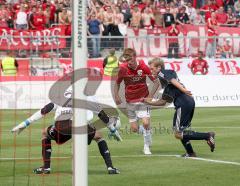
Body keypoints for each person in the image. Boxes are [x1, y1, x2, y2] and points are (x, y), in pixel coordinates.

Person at [11, 87, 122, 175]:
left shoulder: (62, 93)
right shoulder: (89, 95)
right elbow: (102, 115)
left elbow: (45, 109)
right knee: (98, 137)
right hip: (80, 126)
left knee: (45, 133)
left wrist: (25, 123)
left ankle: (46, 167)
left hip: (62, 126)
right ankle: (110, 167)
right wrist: (113, 130)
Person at [144, 58, 216, 157]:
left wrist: (183, 90)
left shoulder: (163, 73)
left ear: (159, 68)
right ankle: (190, 152)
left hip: (183, 103)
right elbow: (163, 101)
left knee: (178, 133)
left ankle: (208, 135)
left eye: (152, 69)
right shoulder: (167, 85)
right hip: (188, 102)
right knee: (181, 130)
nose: (150, 71)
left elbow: (172, 80)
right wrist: (149, 102)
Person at [114, 48, 155, 155]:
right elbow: (117, 83)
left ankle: (146, 147)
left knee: (146, 123)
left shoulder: (143, 67)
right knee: (134, 129)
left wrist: (150, 96)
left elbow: (155, 81)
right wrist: (116, 95)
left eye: (131, 59)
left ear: (135, 57)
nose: (129, 62)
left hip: (143, 100)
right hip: (130, 101)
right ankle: (148, 133)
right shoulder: (122, 69)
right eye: (127, 60)